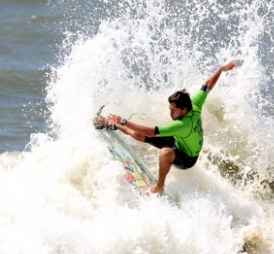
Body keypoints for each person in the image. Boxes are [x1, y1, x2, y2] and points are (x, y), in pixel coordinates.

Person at [100, 60, 239, 194]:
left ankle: (159, 187)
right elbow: (207, 85)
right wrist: (221, 69)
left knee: (165, 153)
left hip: (188, 158)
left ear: (184, 109)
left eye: (174, 110)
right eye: (170, 108)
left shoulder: (182, 124)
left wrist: (124, 120)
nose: (170, 112)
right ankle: (113, 125)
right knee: (138, 135)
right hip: (180, 142)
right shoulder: (194, 103)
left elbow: (151, 131)